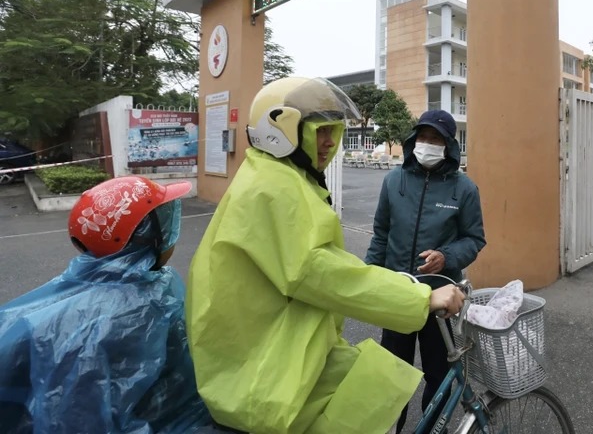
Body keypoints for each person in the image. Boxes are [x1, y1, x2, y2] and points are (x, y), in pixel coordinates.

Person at [185, 77, 465, 434]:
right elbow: (318, 270)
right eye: (320, 131)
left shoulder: (277, 177)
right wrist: (417, 296)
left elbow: (473, 237)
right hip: (262, 367)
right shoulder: (275, 188)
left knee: (386, 380)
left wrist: (441, 262)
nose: (330, 142)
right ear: (281, 131)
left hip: (268, 348)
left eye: (333, 131)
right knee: (378, 384)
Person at [0, 176, 211, 433]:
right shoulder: (129, 311)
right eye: (167, 221)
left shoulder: (144, 287)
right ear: (150, 237)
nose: (173, 229)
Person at [365, 109, 486, 433]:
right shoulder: (394, 181)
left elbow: (475, 239)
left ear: (447, 145)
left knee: (439, 375)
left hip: (442, 299)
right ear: (412, 140)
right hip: (399, 294)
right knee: (393, 374)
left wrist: (446, 257)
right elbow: (381, 235)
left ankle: (435, 428)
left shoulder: (464, 189)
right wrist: (366, 280)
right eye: (422, 137)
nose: (427, 144)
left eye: (435, 139)